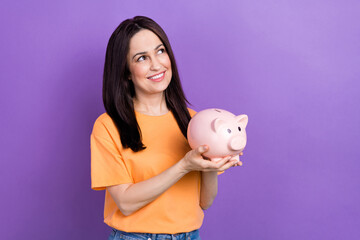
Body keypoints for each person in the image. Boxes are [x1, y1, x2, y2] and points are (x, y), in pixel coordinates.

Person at [90, 16, 242, 240]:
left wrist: (211, 167)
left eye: (160, 51)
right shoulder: (108, 126)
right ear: (126, 72)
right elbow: (125, 203)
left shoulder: (194, 122)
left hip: (189, 235)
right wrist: (183, 166)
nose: (156, 64)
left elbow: (205, 202)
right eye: (142, 58)